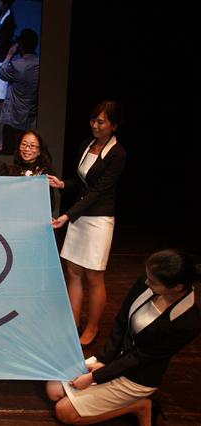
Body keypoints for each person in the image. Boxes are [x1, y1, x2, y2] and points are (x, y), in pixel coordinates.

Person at [46, 249, 201, 426]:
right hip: (116, 360)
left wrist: (94, 377)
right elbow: (121, 321)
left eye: (152, 282)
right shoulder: (147, 282)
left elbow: (140, 358)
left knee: (64, 412)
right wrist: (104, 359)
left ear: (177, 287)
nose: (146, 282)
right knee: (53, 389)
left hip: (136, 375)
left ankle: (140, 406)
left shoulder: (189, 322)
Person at [48, 100, 127, 346]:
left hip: (98, 220)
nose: (95, 125)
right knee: (73, 272)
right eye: (93, 120)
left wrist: (67, 215)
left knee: (94, 277)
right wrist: (63, 184)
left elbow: (99, 191)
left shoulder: (117, 153)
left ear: (114, 125)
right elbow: (82, 183)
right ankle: (73, 324)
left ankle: (92, 328)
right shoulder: (87, 144)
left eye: (101, 122)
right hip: (79, 216)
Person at [0, 28, 40, 154]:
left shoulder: (17, 65)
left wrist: (9, 55)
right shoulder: (39, 63)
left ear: (20, 45)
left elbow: (1, 73)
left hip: (15, 117)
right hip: (32, 114)